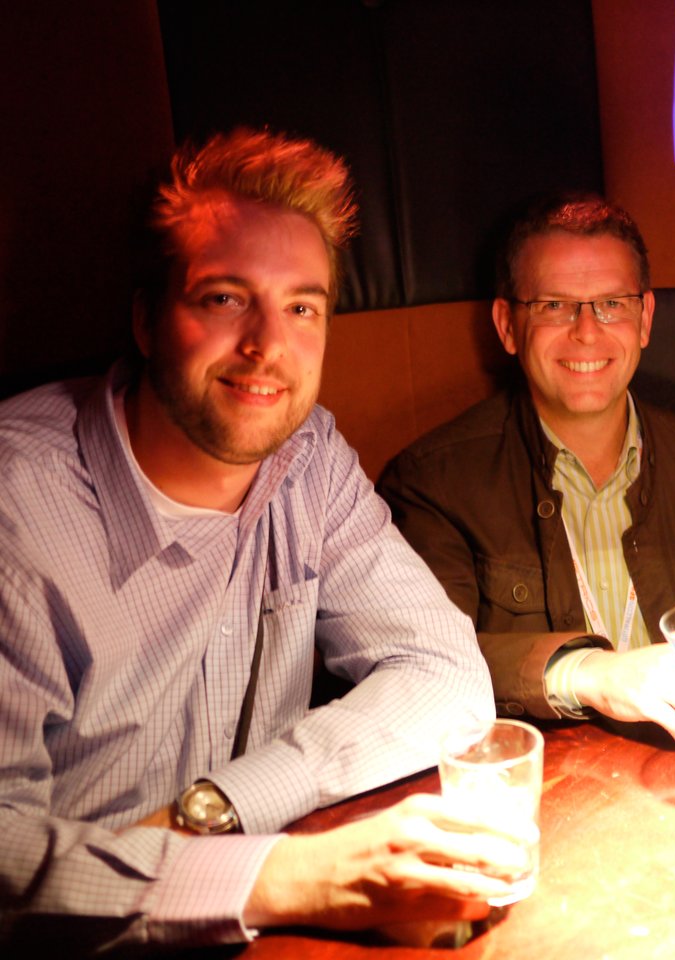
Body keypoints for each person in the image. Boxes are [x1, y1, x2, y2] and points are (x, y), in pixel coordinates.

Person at [0, 129, 531, 953]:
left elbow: (443, 673)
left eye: (302, 307)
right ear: (146, 320)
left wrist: (212, 811)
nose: (267, 345)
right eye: (223, 297)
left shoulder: (309, 456)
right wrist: (290, 876)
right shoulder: (15, 502)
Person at [378, 193, 675, 743]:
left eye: (611, 303)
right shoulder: (431, 484)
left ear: (645, 318)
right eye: (555, 305)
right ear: (507, 326)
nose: (587, 331)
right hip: (543, 794)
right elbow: (418, 666)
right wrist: (585, 674)